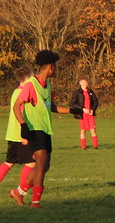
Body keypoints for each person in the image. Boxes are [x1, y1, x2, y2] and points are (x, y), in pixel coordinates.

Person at [10, 50, 75, 208]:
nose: (56, 70)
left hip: (45, 130)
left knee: (45, 166)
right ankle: (35, 202)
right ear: (51, 67)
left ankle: (19, 192)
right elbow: (16, 106)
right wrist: (23, 125)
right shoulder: (32, 84)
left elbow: (52, 107)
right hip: (34, 129)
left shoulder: (48, 86)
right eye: (56, 67)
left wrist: (73, 110)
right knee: (41, 162)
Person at [3, 67, 37, 203]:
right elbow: (20, 113)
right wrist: (24, 134)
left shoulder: (15, 91)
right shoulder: (23, 92)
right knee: (31, 163)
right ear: (28, 79)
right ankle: (19, 191)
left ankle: (19, 192)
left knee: (9, 162)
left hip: (11, 133)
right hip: (19, 134)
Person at [71, 78, 100, 149]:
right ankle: (83, 146)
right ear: (80, 83)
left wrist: (92, 110)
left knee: (92, 130)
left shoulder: (90, 92)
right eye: (83, 82)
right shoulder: (77, 92)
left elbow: (96, 101)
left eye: (86, 83)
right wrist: (83, 109)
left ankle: (96, 146)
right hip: (82, 115)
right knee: (83, 130)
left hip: (90, 114)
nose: (85, 84)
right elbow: (73, 103)